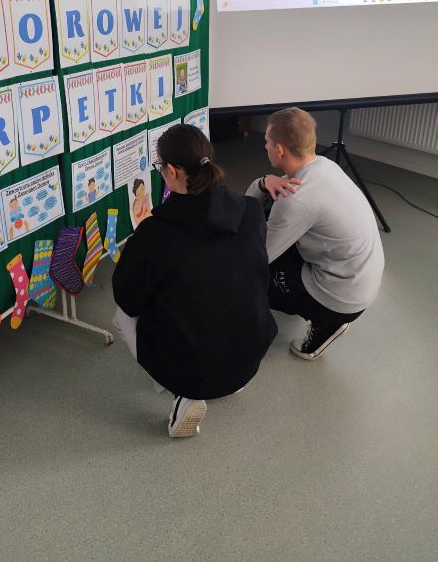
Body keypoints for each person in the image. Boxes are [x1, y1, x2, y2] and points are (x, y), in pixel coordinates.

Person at [112, 124, 277, 439]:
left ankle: (183, 393)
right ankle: (230, 380)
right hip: (250, 355)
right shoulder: (251, 210)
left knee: (121, 316)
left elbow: (127, 298)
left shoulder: (155, 233)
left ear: (172, 171)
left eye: (160, 167)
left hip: (197, 368)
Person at [246, 107, 384, 360]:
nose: (264, 146)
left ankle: (327, 323)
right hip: (358, 279)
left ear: (280, 150)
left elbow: (256, 258)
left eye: (267, 141)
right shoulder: (323, 166)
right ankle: (313, 302)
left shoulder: (296, 199)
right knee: (266, 216)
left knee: (251, 279)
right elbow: (253, 208)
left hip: (342, 298)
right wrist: (263, 183)